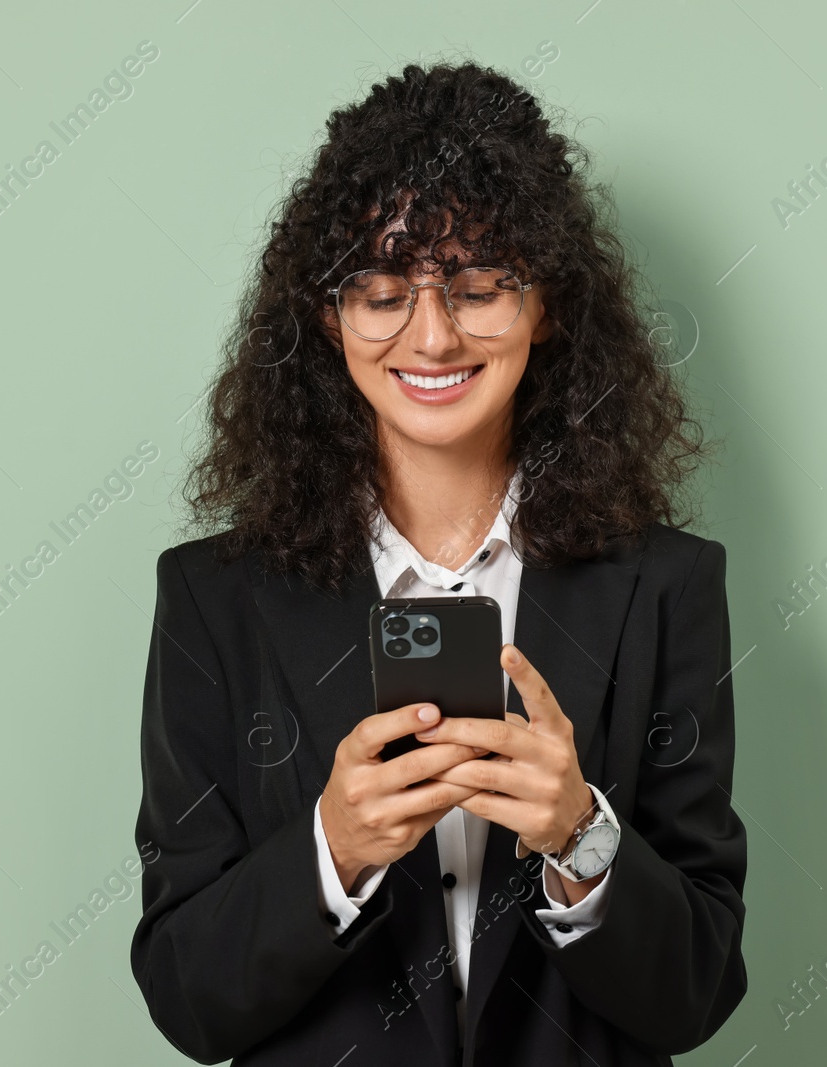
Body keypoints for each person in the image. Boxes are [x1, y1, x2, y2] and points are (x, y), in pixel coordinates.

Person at [129, 59, 747, 1067]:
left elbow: (696, 992)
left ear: (545, 304)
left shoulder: (665, 586)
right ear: (329, 318)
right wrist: (331, 847)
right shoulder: (214, 601)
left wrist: (579, 833)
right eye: (382, 291)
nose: (431, 333)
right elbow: (189, 1000)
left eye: (477, 285)